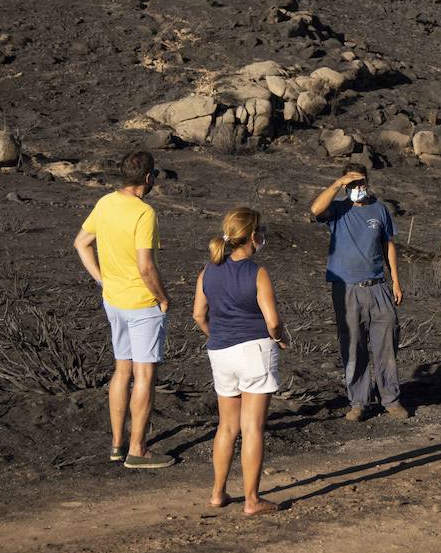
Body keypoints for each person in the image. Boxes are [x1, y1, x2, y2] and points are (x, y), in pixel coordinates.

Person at [73, 151, 174, 470]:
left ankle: (117, 444)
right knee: (145, 374)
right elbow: (146, 266)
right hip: (142, 303)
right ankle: (137, 449)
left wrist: (103, 279)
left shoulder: (105, 203)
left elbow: (81, 243)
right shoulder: (144, 214)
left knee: (122, 370)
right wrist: (163, 297)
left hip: (114, 299)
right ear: (148, 179)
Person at [193, 207, 287, 516]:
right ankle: (252, 500)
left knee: (227, 426)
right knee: (253, 427)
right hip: (254, 351)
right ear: (252, 236)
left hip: (220, 351)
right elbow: (272, 321)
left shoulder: (208, 271)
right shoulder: (257, 272)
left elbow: (198, 314)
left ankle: (218, 493)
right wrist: (281, 337)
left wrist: (216, 334)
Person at [309, 163, 409, 421]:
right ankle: (359, 402)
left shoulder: (380, 209)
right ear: (346, 185)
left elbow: (389, 245)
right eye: (352, 184)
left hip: (378, 287)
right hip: (346, 289)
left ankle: (391, 399)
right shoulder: (338, 209)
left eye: (361, 182)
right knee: (353, 345)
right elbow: (315, 209)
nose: (358, 188)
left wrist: (396, 281)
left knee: (387, 343)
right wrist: (336, 184)